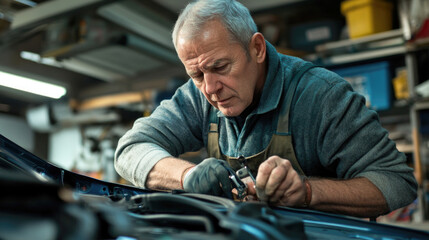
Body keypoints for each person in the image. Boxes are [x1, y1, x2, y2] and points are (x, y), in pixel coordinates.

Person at [115, 0, 417, 218]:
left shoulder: (321, 97)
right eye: (196, 75)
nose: (209, 88)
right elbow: (130, 150)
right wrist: (187, 176)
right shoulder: (197, 97)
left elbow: (397, 183)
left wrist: (308, 193)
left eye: (220, 67)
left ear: (257, 49)